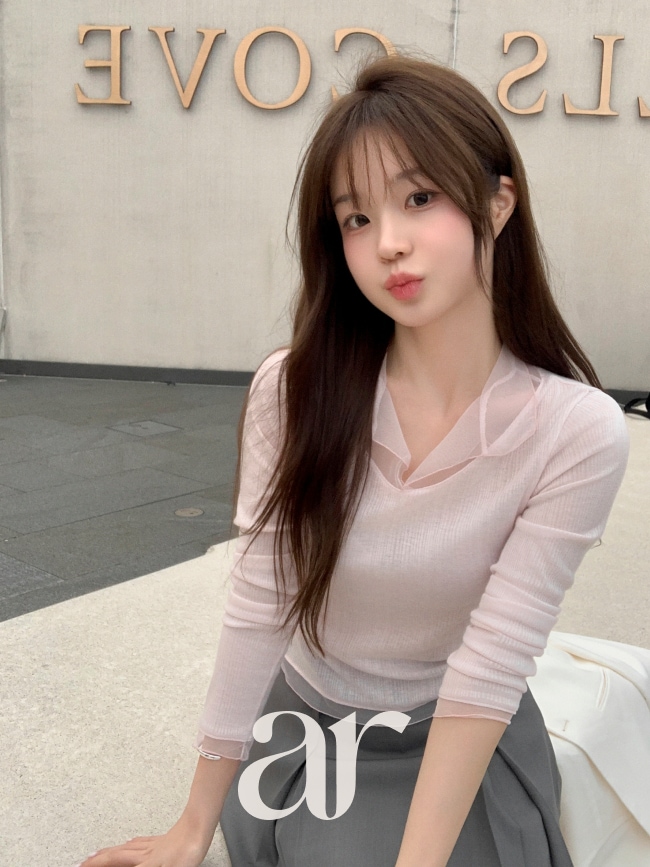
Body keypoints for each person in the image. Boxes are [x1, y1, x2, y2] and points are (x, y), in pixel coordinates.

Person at [79, 55, 629, 867]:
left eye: (419, 198)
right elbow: (262, 602)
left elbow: (491, 667)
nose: (389, 244)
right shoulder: (296, 390)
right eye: (356, 219)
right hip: (313, 731)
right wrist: (192, 825)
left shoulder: (576, 431)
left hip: (459, 739)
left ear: (498, 202)